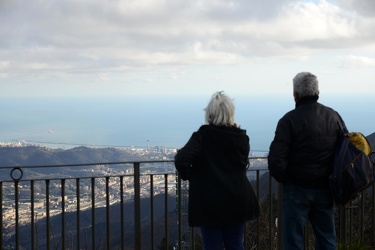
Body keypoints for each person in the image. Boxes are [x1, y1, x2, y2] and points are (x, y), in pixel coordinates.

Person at [268, 72, 347, 249]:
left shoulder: (288, 120)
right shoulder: (333, 116)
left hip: (297, 189)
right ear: (317, 91)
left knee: (293, 241)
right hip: (325, 188)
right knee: (327, 239)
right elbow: (344, 151)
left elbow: (276, 160)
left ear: (295, 94)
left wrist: (288, 179)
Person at [175, 91, 260, 250]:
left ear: (210, 113)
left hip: (209, 202)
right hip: (237, 198)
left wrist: (193, 176)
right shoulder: (241, 138)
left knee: (212, 246)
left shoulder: (202, 136)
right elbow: (242, 164)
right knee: (235, 244)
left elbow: (181, 159)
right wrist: (237, 133)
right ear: (230, 113)